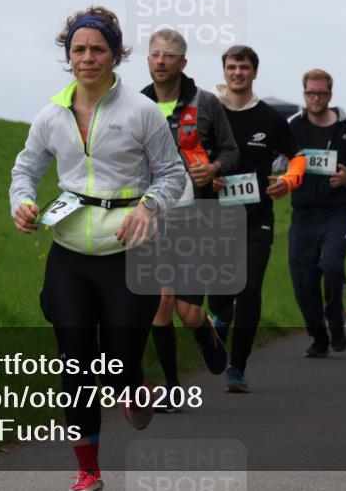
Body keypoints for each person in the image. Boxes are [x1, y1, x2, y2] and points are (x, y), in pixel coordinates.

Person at [9, 6, 187, 491]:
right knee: (74, 359)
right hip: (68, 250)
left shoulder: (142, 111)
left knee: (118, 361)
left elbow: (173, 174)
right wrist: (23, 202)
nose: (87, 58)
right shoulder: (51, 114)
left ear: (115, 55)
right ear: (68, 56)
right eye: (79, 50)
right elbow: (25, 170)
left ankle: (132, 383)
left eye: (98, 49)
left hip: (129, 249)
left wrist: (147, 207)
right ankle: (89, 469)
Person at [140, 28, 239, 410]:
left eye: (168, 56)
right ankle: (171, 386)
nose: (160, 61)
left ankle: (207, 333)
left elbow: (231, 151)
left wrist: (213, 166)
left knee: (188, 311)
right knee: (161, 305)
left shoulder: (207, 103)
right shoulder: (136, 104)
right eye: (155, 55)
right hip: (153, 217)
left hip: (195, 218)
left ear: (182, 63)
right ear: (148, 61)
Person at [207, 45, 306, 392]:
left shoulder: (270, 118)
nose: (238, 73)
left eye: (244, 67)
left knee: (248, 289)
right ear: (224, 71)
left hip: (256, 217)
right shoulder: (208, 111)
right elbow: (190, 154)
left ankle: (237, 368)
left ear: (254, 72)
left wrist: (289, 181)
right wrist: (208, 175)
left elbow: (298, 157)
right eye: (232, 66)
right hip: (215, 217)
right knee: (219, 294)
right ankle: (219, 316)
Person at [287, 68, 346, 354]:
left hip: (337, 212)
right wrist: (290, 173)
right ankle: (319, 337)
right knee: (303, 277)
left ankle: (335, 319)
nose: (315, 98)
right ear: (304, 94)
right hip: (303, 213)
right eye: (310, 93)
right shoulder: (293, 127)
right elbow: (276, 162)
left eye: (321, 93)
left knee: (332, 266)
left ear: (330, 95)